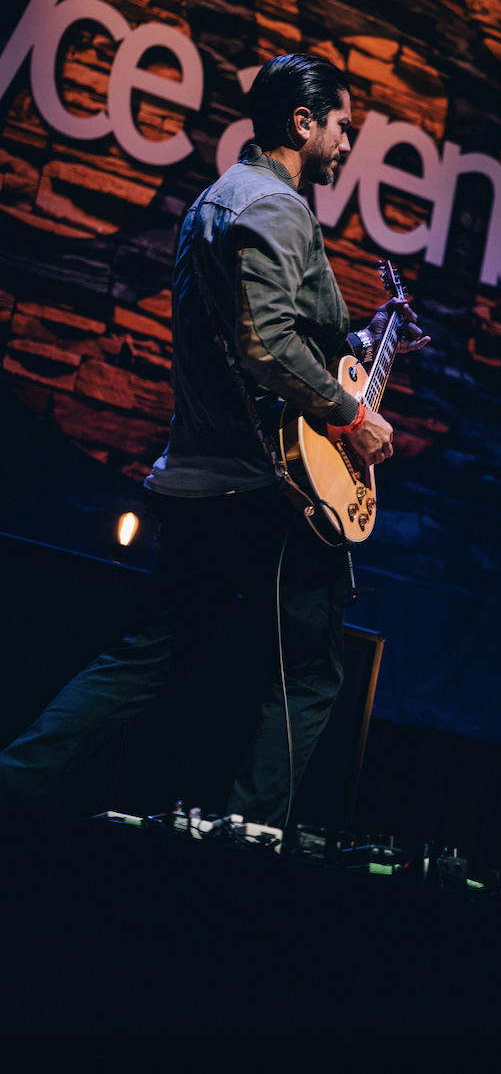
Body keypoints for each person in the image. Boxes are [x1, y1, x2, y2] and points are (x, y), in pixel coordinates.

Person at [0, 53, 428, 827]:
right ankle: (247, 847)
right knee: (307, 676)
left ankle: (14, 783)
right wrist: (351, 414)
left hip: (201, 479)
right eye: (341, 126)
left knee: (148, 654)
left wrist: (364, 342)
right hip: (269, 490)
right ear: (302, 121)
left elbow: (266, 336)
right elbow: (266, 344)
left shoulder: (215, 200)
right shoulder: (276, 206)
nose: (345, 143)